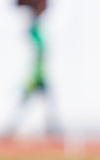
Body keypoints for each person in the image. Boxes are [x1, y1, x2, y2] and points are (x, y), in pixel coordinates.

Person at [4, 8, 59, 139]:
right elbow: (30, 31)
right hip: (35, 78)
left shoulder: (40, 36)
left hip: (40, 77)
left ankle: (51, 128)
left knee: (47, 104)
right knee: (25, 104)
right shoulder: (35, 36)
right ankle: (11, 127)